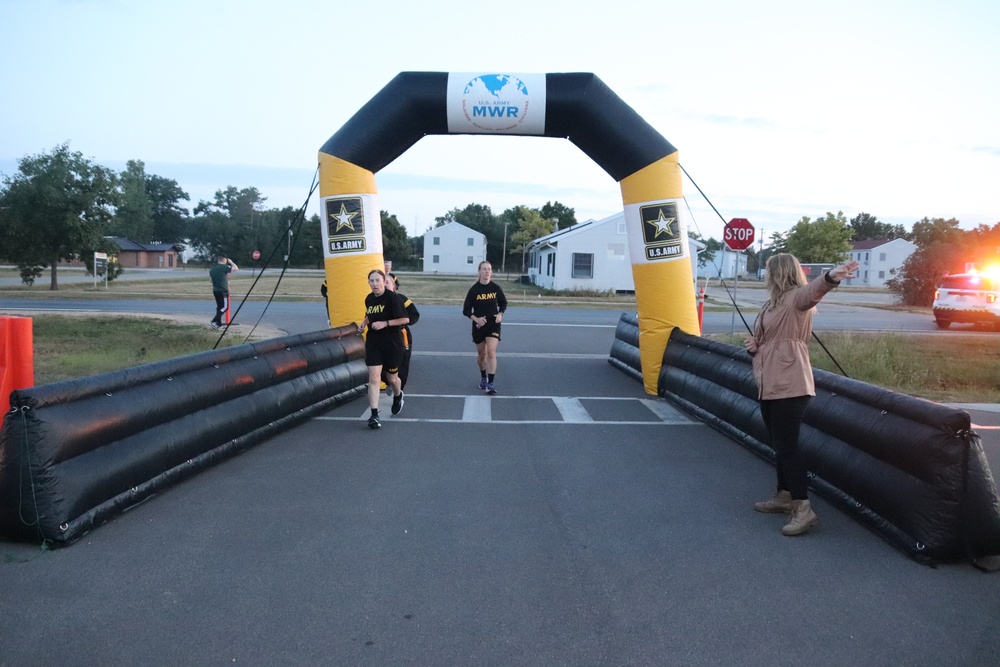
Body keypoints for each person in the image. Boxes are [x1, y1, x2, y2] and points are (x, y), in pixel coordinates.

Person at [745, 254, 859, 536]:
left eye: (769, 271)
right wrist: (756, 345)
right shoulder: (773, 303)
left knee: (788, 446)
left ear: (778, 273)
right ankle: (785, 496)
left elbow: (814, 292)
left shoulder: (796, 298)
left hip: (790, 384)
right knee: (779, 444)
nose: (765, 276)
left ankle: (803, 508)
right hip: (770, 382)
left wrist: (832, 277)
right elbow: (769, 339)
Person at [358, 269, 409, 429]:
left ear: (383, 281)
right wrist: (364, 323)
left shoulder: (393, 298)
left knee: (392, 379)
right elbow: (371, 315)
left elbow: (405, 319)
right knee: (374, 378)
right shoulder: (369, 299)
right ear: (368, 283)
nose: (374, 284)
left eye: (377, 280)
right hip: (374, 342)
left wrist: (385, 323)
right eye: (371, 281)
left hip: (392, 343)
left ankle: (398, 395)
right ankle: (374, 415)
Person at [462, 260, 507, 395]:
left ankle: (491, 383)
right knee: (482, 355)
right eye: (484, 269)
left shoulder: (495, 288)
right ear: (479, 271)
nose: (487, 271)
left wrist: (500, 314)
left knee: (491, 353)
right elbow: (466, 310)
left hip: (493, 324)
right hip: (479, 325)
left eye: (489, 269)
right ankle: (483, 377)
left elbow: (503, 303)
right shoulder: (474, 290)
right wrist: (475, 318)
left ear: (491, 272)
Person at [382, 273, 419, 390]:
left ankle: (399, 391)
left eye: (387, 282)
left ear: (393, 285)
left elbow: (414, 314)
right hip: (382, 338)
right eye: (383, 282)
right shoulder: (376, 300)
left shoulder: (402, 299)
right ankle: (390, 383)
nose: (384, 284)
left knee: (402, 366)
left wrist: (403, 321)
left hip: (401, 337)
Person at [209, 253, 238, 330]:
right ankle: (213, 321)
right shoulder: (224, 267)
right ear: (225, 260)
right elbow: (235, 268)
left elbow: (211, 280)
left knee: (219, 307)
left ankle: (218, 324)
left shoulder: (213, 268)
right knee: (225, 307)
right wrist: (231, 262)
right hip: (222, 290)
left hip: (215, 290)